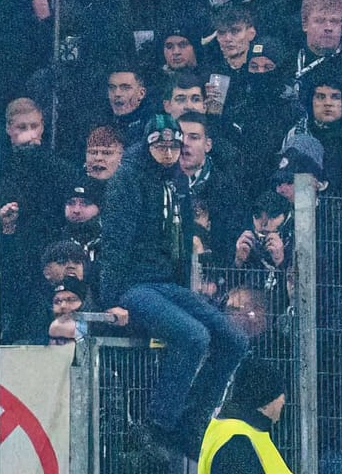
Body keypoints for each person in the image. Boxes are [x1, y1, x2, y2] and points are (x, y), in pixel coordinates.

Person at [100, 114, 249, 459]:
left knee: (234, 340)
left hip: (167, 283)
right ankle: (159, 425)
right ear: (148, 144)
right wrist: (112, 301)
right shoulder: (127, 180)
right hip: (133, 286)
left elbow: (182, 241)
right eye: (161, 146)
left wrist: (186, 290)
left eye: (174, 146)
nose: (168, 153)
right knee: (193, 336)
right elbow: (115, 243)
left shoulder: (177, 181)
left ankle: (192, 421)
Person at [197, 358, 292, 474]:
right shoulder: (237, 441)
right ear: (264, 403)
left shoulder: (240, 432)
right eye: (279, 394)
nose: (283, 401)